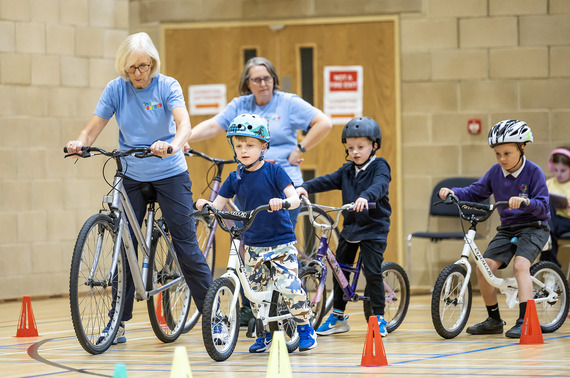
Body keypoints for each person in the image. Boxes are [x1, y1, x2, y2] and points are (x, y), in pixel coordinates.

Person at [65, 32, 213, 344]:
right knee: (123, 244)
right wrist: (81, 142)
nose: (139, 73)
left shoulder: (167, 85)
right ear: (123, 68)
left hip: (170, 172)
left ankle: (214, 316)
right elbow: (94, 126)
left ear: (153, 64)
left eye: (144, 66)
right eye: (132, 68)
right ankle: (117, 323)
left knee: (185, 243)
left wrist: (172, 145)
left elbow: (184, 124)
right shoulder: (116, 89)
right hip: (131, 173)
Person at [188, 56, 332, 326]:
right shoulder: (240, 105)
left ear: (274, 79)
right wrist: (183, 138)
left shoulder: (288, 102)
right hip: (249, 183)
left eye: (267, 78)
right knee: (247, 247)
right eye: (256, 79)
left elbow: (324, 122)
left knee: (276, 247)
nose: (263, 83)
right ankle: (253, 311)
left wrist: (299, 150)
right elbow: (213, 125)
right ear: (247, 83)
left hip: (281, 183)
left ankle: (289, 313)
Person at [195, 113, 318, 353]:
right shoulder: (235, 177)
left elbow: (294, 199)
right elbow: (218, 205)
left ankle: (305, 328)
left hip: (280, 243)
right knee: (255, 293)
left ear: (263, 146)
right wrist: (206, 206)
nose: (243, 150)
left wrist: (281, 202)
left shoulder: (274, 171)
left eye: (250, 145)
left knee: (287, 286)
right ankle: (264, 334)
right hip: (252, 243)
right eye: (238, 145)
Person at [438, 119, 550, 338]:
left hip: (534, 227)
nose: (501, 159)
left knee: (520, 266)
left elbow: (545, 208)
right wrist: (453, 193)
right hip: (508, 229)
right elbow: (475, 191)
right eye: (497, 154)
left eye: (507, 153)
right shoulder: (495, 172)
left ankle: (525, 320)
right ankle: (494, 320)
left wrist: (527, 203)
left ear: (522, 148)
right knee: (483, 267)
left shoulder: (534, 172)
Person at [295, 116, 392, 337]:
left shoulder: (379, 166)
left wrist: (365, 197)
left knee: (373, 272)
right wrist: (303, 187)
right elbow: (327, 180)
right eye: (350, 148)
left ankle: (379, 317)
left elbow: (380, 184)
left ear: (374, 145)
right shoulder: (347, 170)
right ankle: (338, 316)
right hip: (351, 227)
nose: (355, 152)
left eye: (361, 147)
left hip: (374, 228)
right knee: (339, 269)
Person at [543, 147, 570, 267]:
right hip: (553, 223)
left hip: (567, 221)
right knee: (545, 202)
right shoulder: (548, 183)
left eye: (563, 170)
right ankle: (551, 269)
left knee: (545, 229)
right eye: (556, 170)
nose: (559, 174)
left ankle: (549, 267)